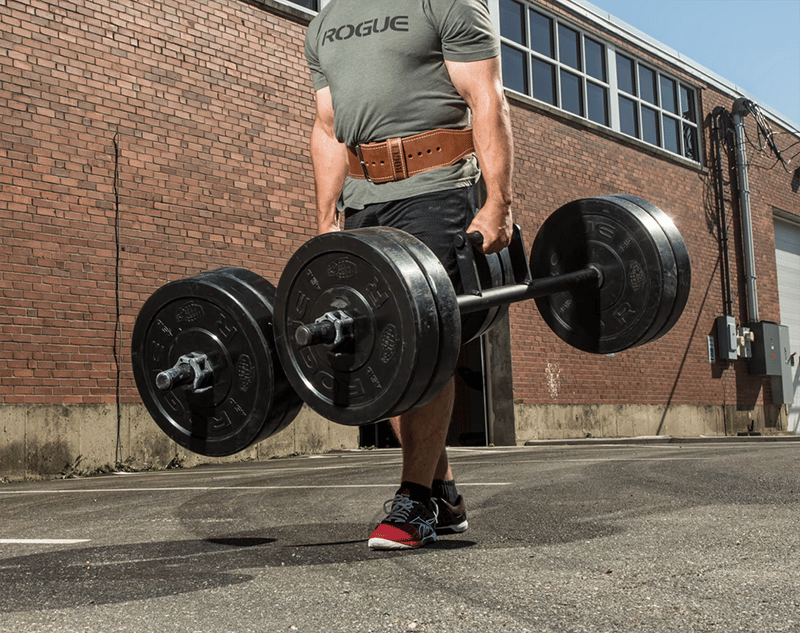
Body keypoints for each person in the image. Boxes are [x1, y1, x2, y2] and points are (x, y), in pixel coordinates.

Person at [303, 0, 514, 550]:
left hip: (436, 188)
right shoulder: (324, 25)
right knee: (383, 350)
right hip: (364, 199)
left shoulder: (444, 3)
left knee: (419, 338)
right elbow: (328, 129)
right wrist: (326, 222)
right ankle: (441, 492)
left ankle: (415, 499)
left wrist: (497, 202)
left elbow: (485, 97)